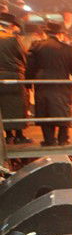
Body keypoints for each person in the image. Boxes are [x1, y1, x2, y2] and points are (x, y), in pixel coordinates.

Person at [25, 20, 72, 146]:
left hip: (43, 84)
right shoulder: (67, 49)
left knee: (44, 111)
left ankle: (49, 140)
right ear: (59, 34)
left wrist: (28, 84)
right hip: (62, 83)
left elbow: (30, 67)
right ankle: (63, 138)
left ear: (45, 32)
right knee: (63, 110)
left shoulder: (36, 47)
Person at [0, 12, 31, 143]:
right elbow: (23, 57)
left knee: (4, 106)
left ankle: (8, 135)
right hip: (14, 75)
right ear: (11, 25)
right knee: (18, 106)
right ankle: (19, 135)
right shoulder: (13, 39)